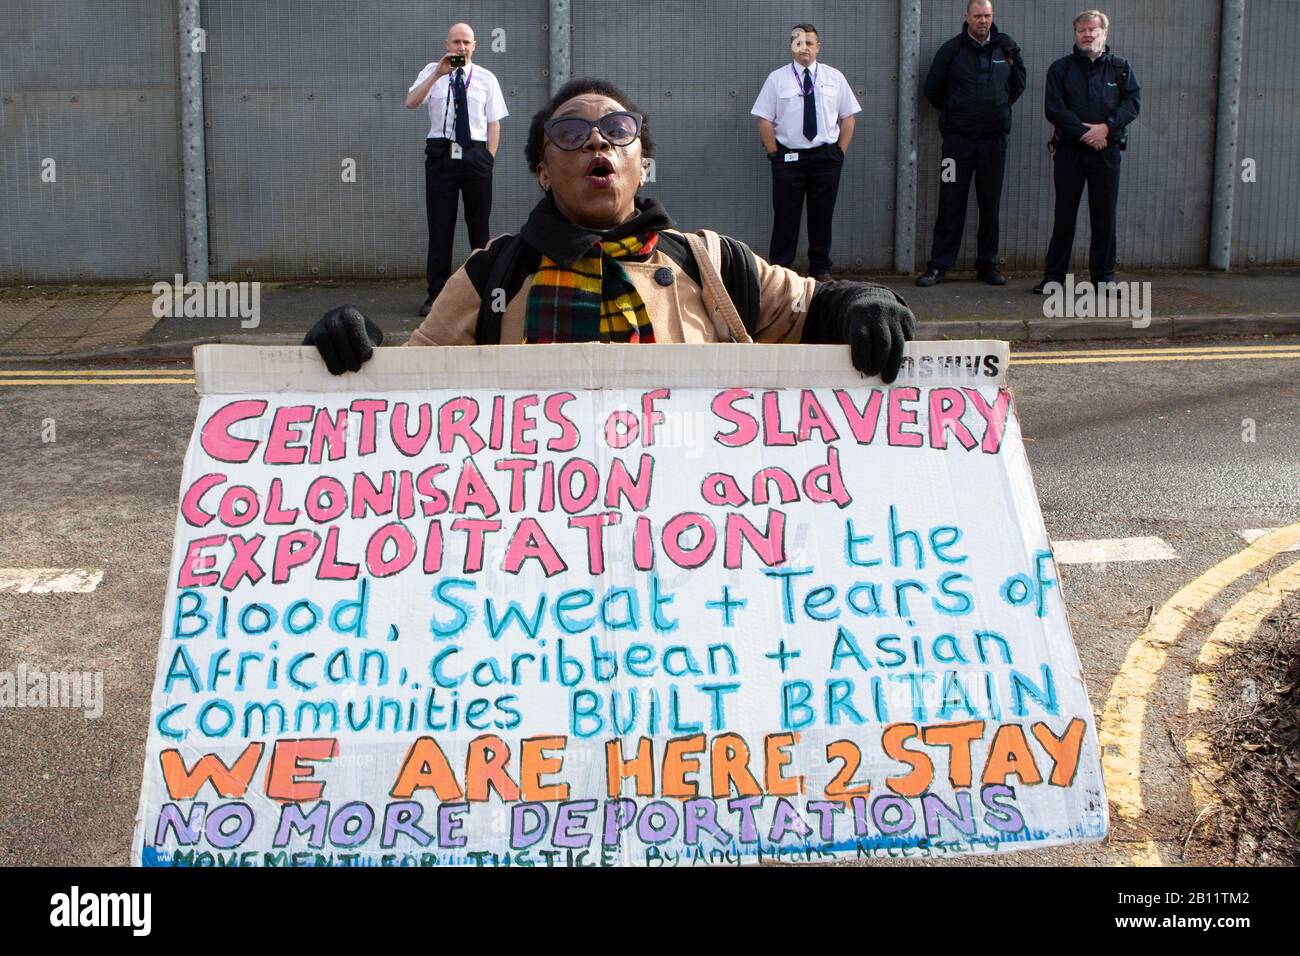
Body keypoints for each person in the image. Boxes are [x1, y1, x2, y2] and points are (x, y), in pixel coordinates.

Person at [305, 79, 914, 383]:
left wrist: (866, 301)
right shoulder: (493, 273)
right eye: (570, 133)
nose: (597, 139)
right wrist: (353, 345)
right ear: (543, 171)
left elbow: (810, 309)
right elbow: (405, 391)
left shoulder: (712, 261)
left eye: (618, 130)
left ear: (640, 161)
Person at [917, 0, 1026, 288]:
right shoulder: (951, 51)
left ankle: (987, 265)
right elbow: (932, 90)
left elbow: (1017, 86)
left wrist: (996, 109)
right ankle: (939, 265)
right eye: (977, 15)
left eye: (987, 16)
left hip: (993, 144)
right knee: (950, 201)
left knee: (989, 204)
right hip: (956, 145)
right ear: (966, 17)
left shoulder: (1007, 50)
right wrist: (958, 114)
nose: (983, 21)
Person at [1032, 9, 1139, 295]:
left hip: (1106, 152)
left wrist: (1106, 128)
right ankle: (1054, 278)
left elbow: (1132, 104)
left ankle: (1103, 278)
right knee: (1064, 215)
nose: (1088, 35)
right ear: (1076, 34)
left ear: (1105, 33)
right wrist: (1085, 134)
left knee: (1104, 217)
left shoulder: (1121, 68)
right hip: (1070, 152)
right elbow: (1054, 109)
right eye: (1082, 30)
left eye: (1093, 30)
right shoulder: (1061, 69)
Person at [406, 22, 508, 317]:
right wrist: (439, 73)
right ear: (446, 45)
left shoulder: (487, 79)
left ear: (474, 45)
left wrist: (488, 158)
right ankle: (436, 294)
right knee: (440, 225)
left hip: (475, 154)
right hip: (441, 154)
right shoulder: (431, 72)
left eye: (466, 42)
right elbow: (411, 102)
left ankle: (482, 291)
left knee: (479, 225)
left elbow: (494, 123)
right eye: (455, 42)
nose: (460, 48)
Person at [751, 25, 861, 282]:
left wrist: (839, 152)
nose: (804, 48)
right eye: (799, 43)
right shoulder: (777, 79)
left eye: (809, 43)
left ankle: (820, 269)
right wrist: (774, 154)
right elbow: (764, 119)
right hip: (789, 158)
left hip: (825, 158)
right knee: (785, 215)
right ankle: (781, 270)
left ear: (818, 47)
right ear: (791, 47)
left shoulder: (834, 77)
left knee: (822, 214)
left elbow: (848, 117)